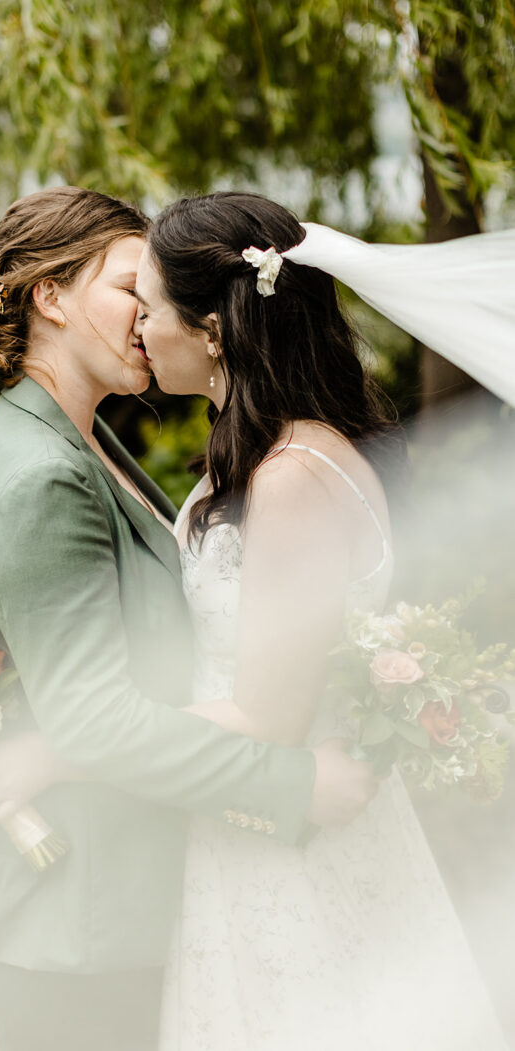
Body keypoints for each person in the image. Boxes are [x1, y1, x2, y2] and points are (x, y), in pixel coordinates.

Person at [0, 185, 376, 1051]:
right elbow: (92, 716)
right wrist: (293, 784)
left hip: (120, 889)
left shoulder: (84, 439)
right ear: (49, 297)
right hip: (67, 907)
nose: (149, 314)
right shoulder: (38, 475)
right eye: (129, 287)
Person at [131, 191, 509, 1051]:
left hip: (285, 851)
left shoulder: (293, 477)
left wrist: (88, 731)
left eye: (149, 306)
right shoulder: (287, 452)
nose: (139, 328)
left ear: (213, 329)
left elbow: (270, 718)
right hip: (267, 824)